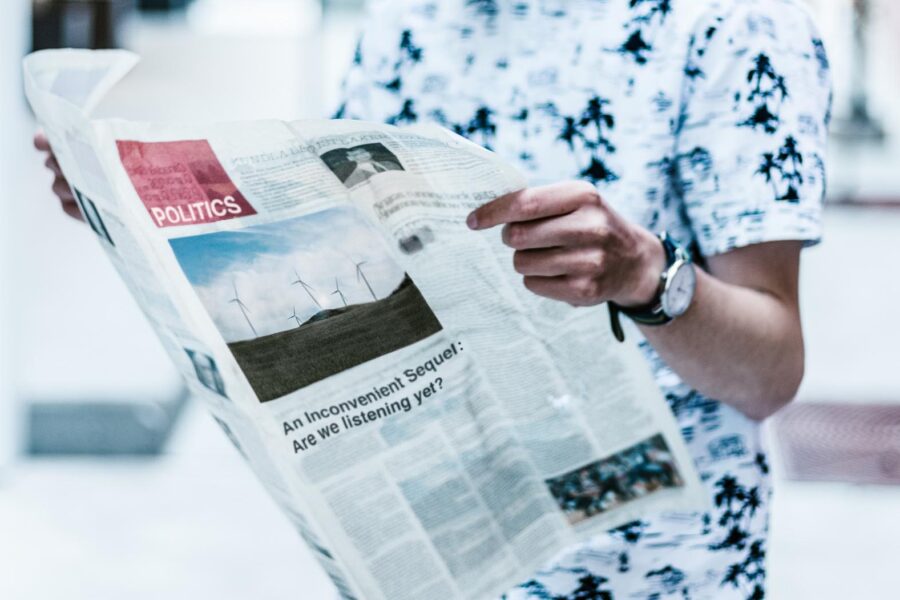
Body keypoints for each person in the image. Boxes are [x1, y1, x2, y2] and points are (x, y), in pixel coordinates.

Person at [36, 0, 831, 597]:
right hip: (445, 555)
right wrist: (137, 217)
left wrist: (647, 278)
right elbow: (350, 243)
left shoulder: (736, 27)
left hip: (651, 569)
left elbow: (770, 372)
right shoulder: (409, 19)